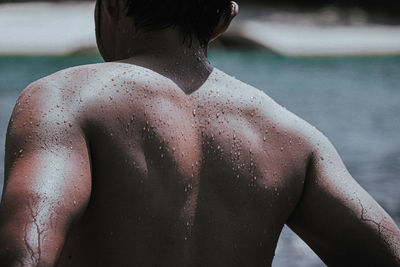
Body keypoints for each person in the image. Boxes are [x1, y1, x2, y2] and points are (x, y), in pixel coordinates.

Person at [0, 0, 399, 266]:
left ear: (115, 5)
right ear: (224, 20)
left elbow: (25, 254)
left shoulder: (67, 99)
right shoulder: (292, 137)